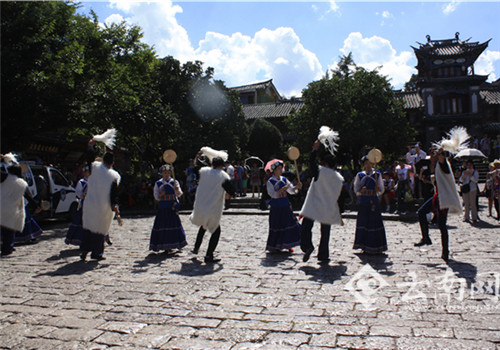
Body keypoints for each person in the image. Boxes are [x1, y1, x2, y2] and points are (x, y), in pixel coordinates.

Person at [414, 148, 462, 262]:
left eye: (436, 154)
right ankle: (426, 237)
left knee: (442, 225)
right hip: (437, 196)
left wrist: (442, 151)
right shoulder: (437, 166)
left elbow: (442, 160)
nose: (434, 155)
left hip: (443, 198)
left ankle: (445, 251)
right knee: (421, 212)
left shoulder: (443, 164)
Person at [299, 141, 344, 262]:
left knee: (306, 227)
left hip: (314, 204)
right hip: (328, 207)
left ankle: (307, 246)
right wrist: (340, 211)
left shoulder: (320, 172)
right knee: (325, 231)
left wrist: (314, 149)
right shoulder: (338, 178)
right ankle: (323, 255)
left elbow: (311, 162)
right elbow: (340, 196)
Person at [190, 153, 235, 263]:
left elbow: (195, 168)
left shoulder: (204, 172)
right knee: (216, 231)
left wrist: (197, 157)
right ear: (222, 165)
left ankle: (196, 248)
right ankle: (209, 255)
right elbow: (232, 192)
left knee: (203, 226)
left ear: (211, 164)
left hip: (201, 207)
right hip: (213, 208)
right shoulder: (223, 176)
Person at [81, 145, 121, 262]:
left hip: (90, 203)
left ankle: (85, 250)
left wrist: (90, 147)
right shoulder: (113, 176)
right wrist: (115, 206)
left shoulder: (94, 168)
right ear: (112, 163)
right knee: (99, 231)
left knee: (88, 228)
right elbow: (113, 194)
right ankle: (97, 252)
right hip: (102, 206)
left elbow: (89, 159)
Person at [353, 156, 387, 254]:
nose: (368, 165)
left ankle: (377, 246)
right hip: (364, 201)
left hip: (374, 201)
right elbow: (356, 189)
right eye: (366, 163)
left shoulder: (377, 174)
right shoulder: (360, 175)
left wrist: (378, 190)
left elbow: (381, 189)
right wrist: (361, 191)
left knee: (374, 223)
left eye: (370, 163)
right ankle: (364, 245)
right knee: (364, 223)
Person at [266, 160, 302, 253]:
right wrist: (280, 191)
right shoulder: (270, 181)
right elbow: (272, 194)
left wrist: (296, 187)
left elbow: (291, 190)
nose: (280, 170)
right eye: (278, 169)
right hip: (276, 206)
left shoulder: (284, 179)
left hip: (285, 205)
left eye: (281, 168)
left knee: (288, 223)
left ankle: (288, 244)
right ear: (274, 170)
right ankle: (277, 245)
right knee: (278, 224)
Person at [149, 165, 187, 253]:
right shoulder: (158, 183)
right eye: (164, 173)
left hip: (172, 207)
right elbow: (156, 196)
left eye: (168, 172)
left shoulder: (174, 182)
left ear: (170, 173)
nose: (166, 174)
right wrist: (161, 195)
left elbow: (179, 194)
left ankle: (177, 243)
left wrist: (177, 190)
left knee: (175, 225)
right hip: (163, 207)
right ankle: (165, 246)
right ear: (161, 173)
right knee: (163, 225)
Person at [1, 163, 29, 256]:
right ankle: (7, 247)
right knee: (9, 229)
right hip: (12, 208)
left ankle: (7, 246)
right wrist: (37, 206)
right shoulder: (20, 182)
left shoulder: (3, 179)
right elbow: (28, 195)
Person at [65, 165, 90, 246]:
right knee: (80, 222)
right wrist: (83, 195)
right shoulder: (82, 182)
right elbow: (78, 192)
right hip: (84, 203)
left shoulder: (93, 181)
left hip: (92, 204)